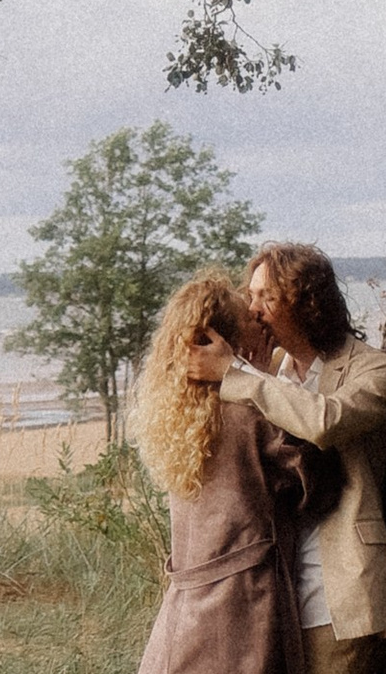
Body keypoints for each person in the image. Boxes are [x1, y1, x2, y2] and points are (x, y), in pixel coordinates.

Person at [189, 243, 386, 674]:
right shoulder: (267, 370)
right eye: (250, 297)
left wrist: (238, 375)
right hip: (272, 591)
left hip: (338, 595)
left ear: (307, 304)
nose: (252, 311)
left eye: (265, 298)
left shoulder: (379, 372)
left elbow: (325, 421)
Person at [133, 268, 321, 674]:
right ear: (225, 342)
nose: (261, 321)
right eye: (251, 320)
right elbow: (320, 483)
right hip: (243, 602)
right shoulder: (249, 418)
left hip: (186, 605)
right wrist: (258, 383)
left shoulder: (176, 418)